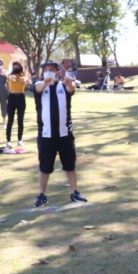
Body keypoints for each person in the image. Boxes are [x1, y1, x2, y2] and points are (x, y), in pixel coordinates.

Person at [32, 60, 88, 208]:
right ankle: (42, 194)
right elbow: (37, 88)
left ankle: (74, 191)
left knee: (70, 166)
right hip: (46, 136)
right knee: (45, 167)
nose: (48, 71)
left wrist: (69, 82)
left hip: (65, 135)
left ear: (58, 71)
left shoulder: (63, 86)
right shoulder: (39, 86)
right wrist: (45, 82)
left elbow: (71, 88)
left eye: (51, 69)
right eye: (45, 69)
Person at [5, 61, 28, 149]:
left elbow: (26, 81)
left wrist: (25, 78)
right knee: (10, 120)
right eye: (14, 66)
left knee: (20, 120)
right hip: (11, 97)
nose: (15, 67)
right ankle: (8, 141)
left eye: (17, 66)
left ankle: (20, 140)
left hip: (21, 97)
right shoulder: (10, 76)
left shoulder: (23, 76)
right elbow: (10, 77)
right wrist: (10, 76)